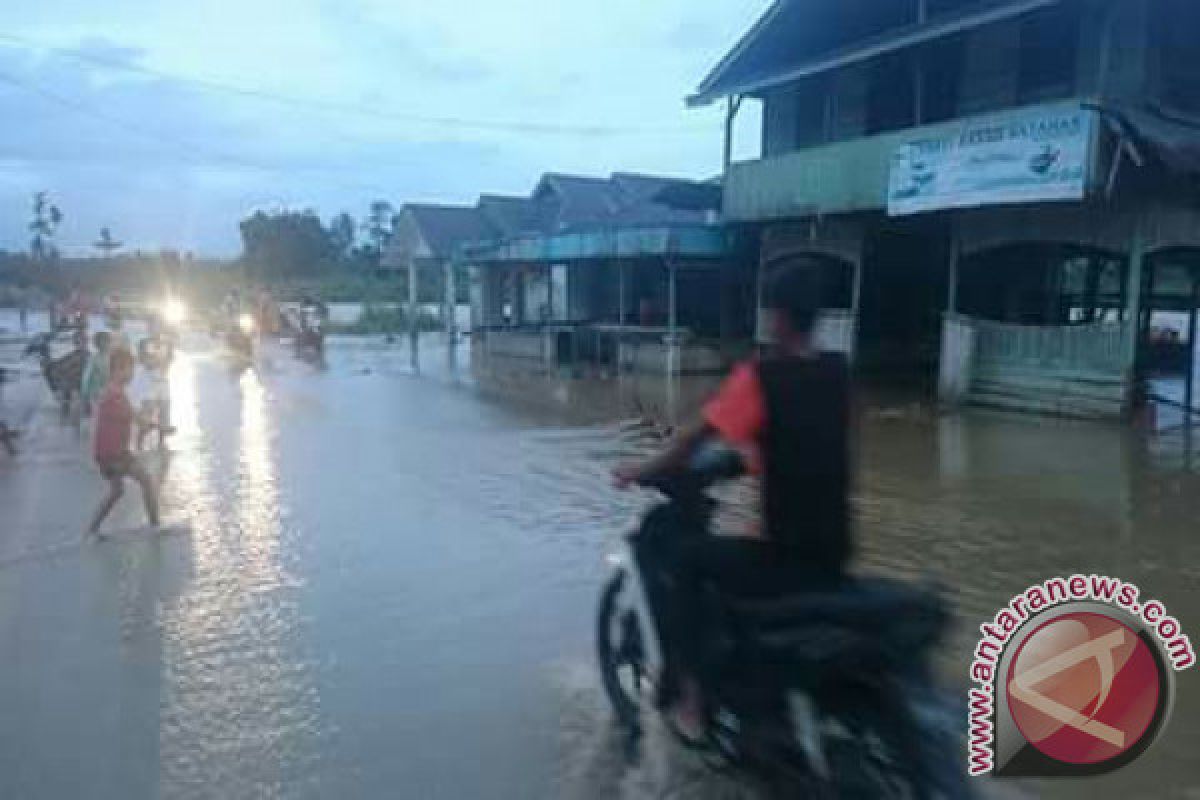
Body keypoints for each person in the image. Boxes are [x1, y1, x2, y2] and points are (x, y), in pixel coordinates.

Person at [612, 261, 853, 739]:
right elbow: (809, 448)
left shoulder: (761, 378)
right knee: (736, 547)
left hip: (783, 559)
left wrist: (641, 470)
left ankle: (689, 694)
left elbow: (692, 441)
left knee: (684, 557)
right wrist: (746, 462)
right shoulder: (840, 375)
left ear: (777, 317)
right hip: (835, 556)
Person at [88, 348, 160, 535]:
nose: (132, 374)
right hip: (115, 454)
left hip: (104, 453)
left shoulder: (113, 390)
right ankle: (156, 527)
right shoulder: (115, 394)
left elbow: (132, 417)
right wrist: (158, 426)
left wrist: (150, 423)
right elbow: (135, 417)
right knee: (147, 481)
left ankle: (91, 531)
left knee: (117, 491)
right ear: (116, 370)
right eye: (129, 370)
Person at [81, 331, 113, 416]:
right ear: (97, 344)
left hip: (110, 394)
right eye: (103, 342)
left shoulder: (113, 357)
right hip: (97, 394)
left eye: (108, 341)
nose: (106, 344)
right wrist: (85, 396)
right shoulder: (94, 359)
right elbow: (86, 379)